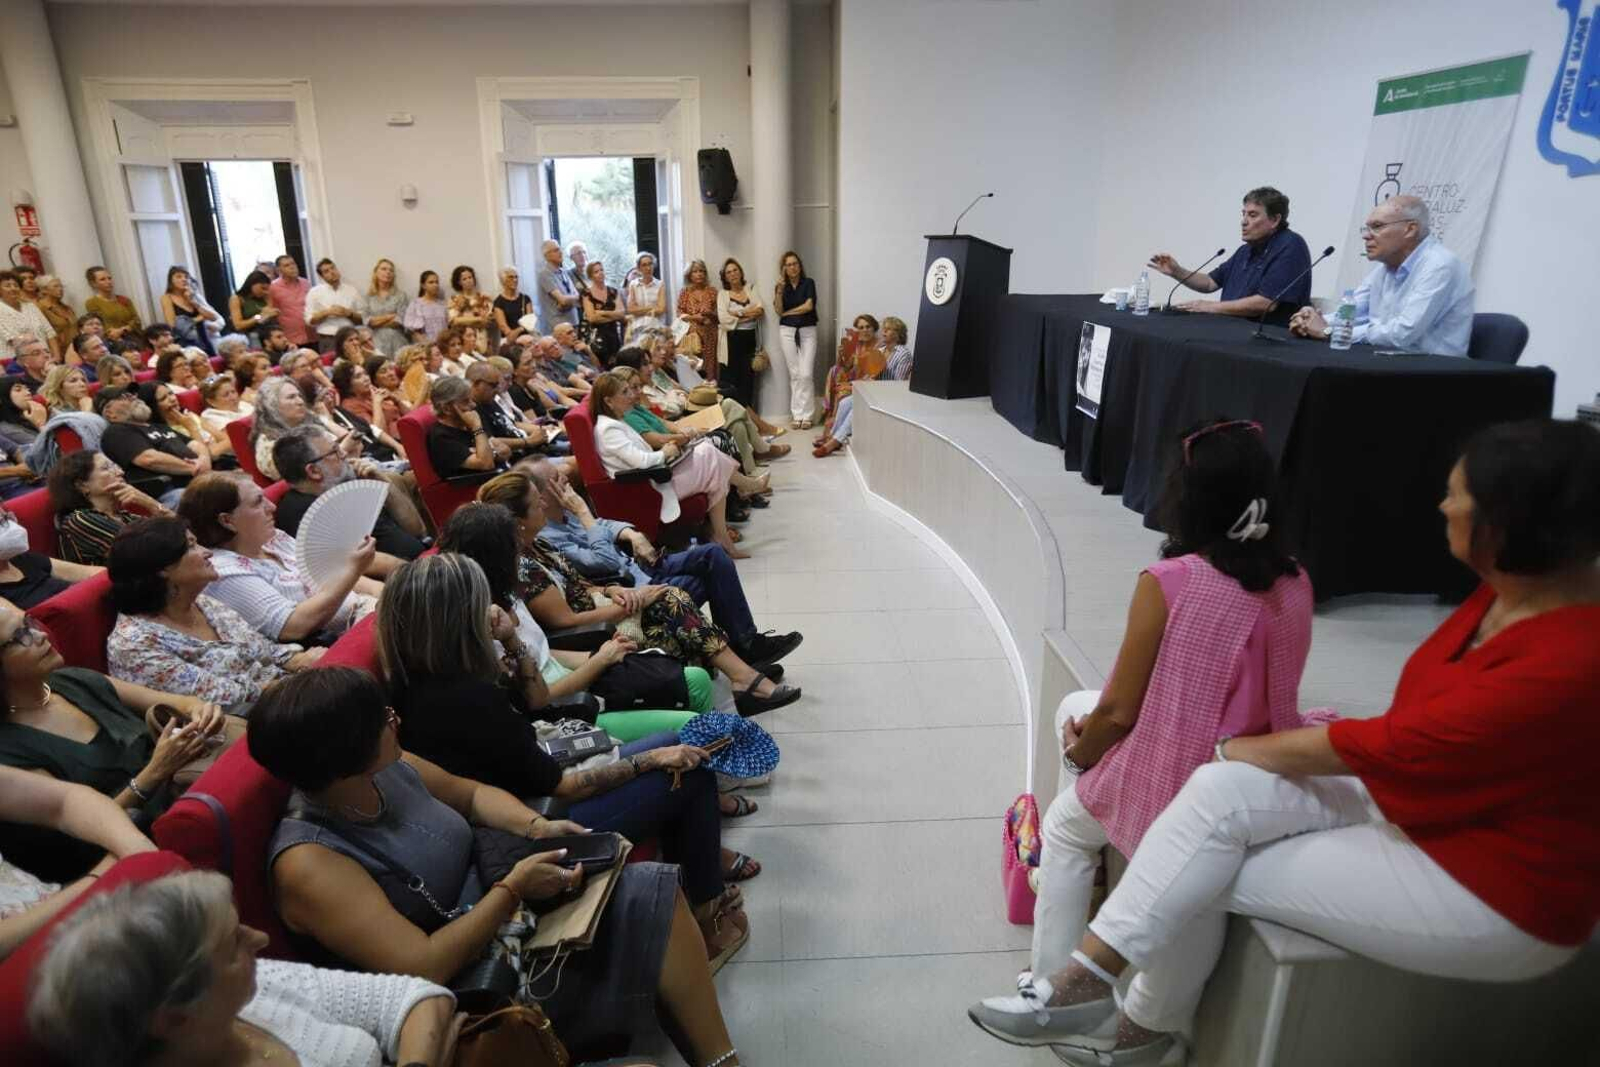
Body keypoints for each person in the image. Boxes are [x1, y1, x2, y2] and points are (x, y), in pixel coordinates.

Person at [968, 418, 1600, 1066]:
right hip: (1430, 802)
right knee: (1202, 808)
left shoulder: (1568, 658)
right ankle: (1108, 1003)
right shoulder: (1490, 593)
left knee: (1191, 855)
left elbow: (1395, 746)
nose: (1442, 503)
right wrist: (1230, 751)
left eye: (1459, 494)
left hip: (1490, 881)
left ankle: (1114, 1008)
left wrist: (1229, 750)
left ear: (1508, 524)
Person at [252, 666, 746, 1064]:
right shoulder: (308, 862)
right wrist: (512, 891)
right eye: (379, 718)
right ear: (344, 749)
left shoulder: (388, 770)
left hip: (501, 913)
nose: (394, 718)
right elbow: (422, 965)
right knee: (640, 909)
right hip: (477, 985)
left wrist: (535, 827)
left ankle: (719, 1058)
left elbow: (469, 794)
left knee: (649, 889)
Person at [378, 549, 755, 952]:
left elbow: (533, 701)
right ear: (461, 622)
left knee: (674, 747)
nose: (489, 609)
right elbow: (564, 787)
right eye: (479, 604)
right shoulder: (468, 699)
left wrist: (509, 637)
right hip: (533, 824)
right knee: (687, 768)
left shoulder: (410, 682)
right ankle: (707, 919)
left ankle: (700, 869)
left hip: (518, 797)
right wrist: (649, 760)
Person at [27, 870, 460, 1067]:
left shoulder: (258, 987)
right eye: (234, 943)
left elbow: (414, 996)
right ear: (174, 1016)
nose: (260, 939)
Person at [476, 466, 798, 717]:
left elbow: (582, 583)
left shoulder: (538, 544)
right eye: (536, 503)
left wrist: (612, 588)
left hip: (612, 594)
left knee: (684, 595)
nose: (544, 505)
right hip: (593, 629)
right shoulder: (522, 568)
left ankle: (740, 676)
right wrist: (623, 607)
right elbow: (566, 621)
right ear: (517, 521)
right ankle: (741, 678)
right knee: (675, 603)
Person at [442, 497, 718, 733]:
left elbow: (544, 652)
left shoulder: (506, 594)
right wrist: (600, 661)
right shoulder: (483, 626)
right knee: (690, 723)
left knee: (696, 679)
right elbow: (540, 699)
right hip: (564, 710)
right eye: (514, 551)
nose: (520, 558)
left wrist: (607, 655)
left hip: (577, 674)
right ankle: (712, 781)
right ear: (497, 560)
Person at [0, 599, 223, 880]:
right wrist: (154, 772)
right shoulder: (7, 752)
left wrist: (200, 712)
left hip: (191, 796)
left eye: (29, 624)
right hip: (131, 852)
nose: (41, 635)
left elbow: (178, 702)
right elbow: (76, 836)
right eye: (20, 637)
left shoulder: (72, 680)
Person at [524, 459, 801, 669]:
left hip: (641, 565)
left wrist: (631, 533)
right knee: (705, 582)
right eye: (559, 479)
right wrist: (584, 512)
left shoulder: (564, 512)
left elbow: (605, 525)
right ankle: (740, 650)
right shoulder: (549, 532)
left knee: (713, 555)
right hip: (631, 586)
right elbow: (603, 560)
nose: (568, 481)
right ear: (543, 496)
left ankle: (744, 644)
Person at [107, 516, 326, 709]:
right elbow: (224, 700)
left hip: (287, 692)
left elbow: (264, 648)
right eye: (192, 546)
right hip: (253, 724)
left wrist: (300, 660)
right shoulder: (134, 644)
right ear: (163, 568)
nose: (207, 552)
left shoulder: (201, 602)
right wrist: (306, 680)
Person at [180, 472, 379, 643]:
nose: (272, 507)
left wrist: (389, 593)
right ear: (227, 521)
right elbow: (294, 625)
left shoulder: (275, 538)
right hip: (346, 639)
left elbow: (340, 579)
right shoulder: (223, 572)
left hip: (369, 611)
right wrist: (354, 569)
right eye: (258, 502)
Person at [592, 373, 767, 560]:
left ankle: (723, 533)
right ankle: (745, 489)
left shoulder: (617, 421)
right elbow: (641, 461)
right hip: (647, 488)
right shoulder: (609, 429)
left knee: (709, 456)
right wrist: (665, 453)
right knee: (711, 460)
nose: (631, 395)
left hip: (654, 476)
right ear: (609, 401)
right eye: (625, 391)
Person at [1289, 195, 1475, 357]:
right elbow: (1353, 313)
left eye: (1377, 227)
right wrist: (1310, 321)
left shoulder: (1439, 265)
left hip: (1437, 371)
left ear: (1410, 229)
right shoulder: (1385, 268)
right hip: (1390, 361)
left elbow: (1403, 333)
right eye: (1366, 228)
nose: (1366, 236)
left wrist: (1329, 331)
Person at [0, 766, 155, 958]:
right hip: (40, 960)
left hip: (71, 902)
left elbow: (65, 801)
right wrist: (100, 880)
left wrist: (138, 849)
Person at [272, 426, 426, 574]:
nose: (344, 454)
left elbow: (417, 529)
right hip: (405, 580)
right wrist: (419, 571)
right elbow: (347, 563)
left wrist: (381, 480)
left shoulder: (348, 483)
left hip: (423, 557)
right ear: (314, 471)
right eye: (335, 451)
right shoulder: (304, 515)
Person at [1149, 186, 1312, 323]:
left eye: (1253, 215)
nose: (1244, 221)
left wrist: (1208, 307)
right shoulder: (1246, 250)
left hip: (1267, 341)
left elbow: (1266, 302)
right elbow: (1209, 283)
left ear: (1275, 220)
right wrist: (1177, 271)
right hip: (1231, 330)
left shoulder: (1290, 245)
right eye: (1244, 214)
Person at [49, 450, 172, 567]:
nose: (120, 472)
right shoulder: (80, 520)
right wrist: (149, 504)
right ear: (82, 485)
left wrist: (150, 503)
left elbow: (179, 531)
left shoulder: (122, 515)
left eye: (115, 465)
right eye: (106, 468)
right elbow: (150, 551)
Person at [813, 315, 912, 458]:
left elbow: (899, 384)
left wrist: (873, 382)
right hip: (874, 392)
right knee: (845, 403)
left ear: (898, 334)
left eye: (889, 329)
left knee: (858, 406)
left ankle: (834, 442)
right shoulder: (881, 350)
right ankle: (833, 436)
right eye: (884, 329)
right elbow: (869, 372)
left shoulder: (903, 353)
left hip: (890, 396)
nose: (884, 332)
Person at [96, 385, 208, 508]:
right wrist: (194, 468)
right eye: (125, 396)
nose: (134, 397)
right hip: (167, 493)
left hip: (197, 480)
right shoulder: (116, 432)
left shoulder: (159, 426)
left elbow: (196, 445)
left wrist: (203, 459)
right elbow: (149, 459)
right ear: (110, 413)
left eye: (133, 394)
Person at [819, 313, 887, 445]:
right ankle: (832, 425)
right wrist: (841, 355)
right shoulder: (856, 345)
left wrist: (850, 386)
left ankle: (832, 429)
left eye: (868, 327)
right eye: (861, 328)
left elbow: (874, 375)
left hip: (870, 384)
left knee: (843, 394)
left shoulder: (879, 347)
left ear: (874, 328)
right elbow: (845, 366)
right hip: (854, 380)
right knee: (834, 370)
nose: (864, 330)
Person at [425, 375, 510, 480]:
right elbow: (486, 464)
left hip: (501, 475)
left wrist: (488, 452)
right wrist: (477, 428)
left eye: (471, 400)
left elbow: (505, 450)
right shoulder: (441, 437)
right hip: (474, 488)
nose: (473, 405)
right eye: (466, 401)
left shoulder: (466, 423)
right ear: (446, 408)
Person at [773, 250, 819, 428]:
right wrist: (778, 292)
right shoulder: (781, 286)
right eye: (789, 265)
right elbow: (778, 311)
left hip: (807, 330)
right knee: (795, 374)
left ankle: (808, 414)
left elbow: (808, 306)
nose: (792, 267)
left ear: (800, 266)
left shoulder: (808, 283)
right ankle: (798, 415)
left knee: (806, 373)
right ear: (784, 268)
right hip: (787, 331)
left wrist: (788, 312)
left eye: (795, 264)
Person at [465, 361, 548, 459]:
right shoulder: (471, 409)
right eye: (493, 385)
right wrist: (528, 441)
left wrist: (540, 430)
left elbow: (512, 424)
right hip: (520, 459)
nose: (497, 389)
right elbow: (490, 441)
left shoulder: (489, 400)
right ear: (476, 384)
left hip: (533, 448)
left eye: (498, 384)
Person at [142, 380, 232, 469]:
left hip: (226, 459)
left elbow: (228, 441)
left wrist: (211, 451)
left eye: (171, 393)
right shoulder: (164, 433)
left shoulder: (189, 415)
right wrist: (192, 428)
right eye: (163, 398)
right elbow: (204, 459)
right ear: (152, 406)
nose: (173, 399)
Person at [332, 360, 407, 460]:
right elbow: (376, 434)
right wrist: (377, 403)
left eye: (365, 374)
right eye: (358, 377)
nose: (366, 378)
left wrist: (397, 400)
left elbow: (410, 414)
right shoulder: (350, 405)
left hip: (406, 433)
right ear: (348, 386)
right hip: (394, 447)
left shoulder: (372, 393)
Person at [715, 259, 763, 407]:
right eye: (729, 272)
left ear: (741, 272)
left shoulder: (751, 288)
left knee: (747, 380)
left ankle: (749, 418)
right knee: (730, 381)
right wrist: (749, 314)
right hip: (731, 342)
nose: (733, 274)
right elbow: (723, 319)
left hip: (750, 339)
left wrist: (737, 313)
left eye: (735, 270)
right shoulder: (723, 294)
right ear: (725, 277)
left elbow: (760, 310)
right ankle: (732, 417)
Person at [305, 258, 364, 354]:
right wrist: (327, 312)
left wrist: (348, 313)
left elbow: (362, 319)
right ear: (322, 276)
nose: (332, 272)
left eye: (333, 268)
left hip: (350, 337)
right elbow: (309, 321)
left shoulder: (352, 290)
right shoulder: (314, 293)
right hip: (328, 338)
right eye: (326, 271)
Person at [158, 267, 220, 357]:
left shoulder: (192, 295)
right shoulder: (166, 298)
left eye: (186, 277)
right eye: (179, 277)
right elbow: (172, 325)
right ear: (171, 281)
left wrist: (192, 302)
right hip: (186, 343)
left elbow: (213, 317)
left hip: (204, 338)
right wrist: (199, 318)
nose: (184, 279)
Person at [676, 259, 719, 386]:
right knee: (693, 364)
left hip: (710, 334)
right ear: (689, 274)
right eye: (695, 271)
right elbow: (679, 314)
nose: (699, 274)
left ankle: (710, 391)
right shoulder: (685, 292)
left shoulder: (712, 291)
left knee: (709, 365)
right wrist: (695, 318)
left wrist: (710, 315)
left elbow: (719, 314)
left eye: (702, 271)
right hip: (691, 335)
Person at [82, 266, 143, 349]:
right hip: (113, 342)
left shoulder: (124, 299)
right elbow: (102, 325)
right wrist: (119, 332)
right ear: (93, 283)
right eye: (103, 279)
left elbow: (137, 321)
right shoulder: (92, 302)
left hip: (135, 338)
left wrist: (123, 329)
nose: (108, 282)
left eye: (109, 278)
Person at [581, 261, 627, 366]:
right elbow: (592, 318)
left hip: (613, 336)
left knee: (616, 365)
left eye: (601, 270)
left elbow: (622, 313)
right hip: (596, 338)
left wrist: (602, 312)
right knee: (601, 368)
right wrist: (614, 315)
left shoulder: (613, 291)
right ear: (590, 276)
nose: (600, 273)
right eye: (596, 271)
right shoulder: (586, 293)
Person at [0, 271, 57, 353]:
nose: (13, 288)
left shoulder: (30, 306)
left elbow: (49, 332)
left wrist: (56, 356)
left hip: (45, 357)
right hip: (18, 360)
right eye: (7, 286)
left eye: (16, 285)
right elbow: (14, 340)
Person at [364, 257, 409, 356]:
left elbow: (399, 321)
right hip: (375, 343)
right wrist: (389, 316)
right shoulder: (368, 297)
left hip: (397, 341)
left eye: (391, 270)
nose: (388, 272)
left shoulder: (401, 295)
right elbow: (367, 321)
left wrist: (376, 322)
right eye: (384, 269)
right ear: (376, 272)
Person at [267, 254, 312, 347]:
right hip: (290, 339)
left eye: (293, 264)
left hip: (311, 334)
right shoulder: (273, 287)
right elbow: (270, 312)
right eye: (287, 265)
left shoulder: (305, 283)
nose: (292, 267)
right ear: (279, 270)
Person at [536, 239, 580, 332]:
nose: (560, 252)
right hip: (558, 327)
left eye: (560, 249)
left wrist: (567, 301)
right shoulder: (545, 274)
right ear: (547, 256)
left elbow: (576, 296)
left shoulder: (563, 272)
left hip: (573, 322)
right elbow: (563, 300)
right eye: (556, 250)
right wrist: (568, 301)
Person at [447, 265, 492, 354]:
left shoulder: (484, 298)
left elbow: (487, 320)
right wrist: (477, 319)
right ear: (459, 282)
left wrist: (466, 320)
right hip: (462, 340)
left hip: (482, 338)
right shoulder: (455, 299)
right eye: (464, 279)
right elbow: (454, 321)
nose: (468, 281)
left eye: (470, 277)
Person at [227, 269, 278, 343]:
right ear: (252, 284)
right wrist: (259, 317)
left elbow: (269, 314)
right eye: (262, 288)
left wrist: (273, 314)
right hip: (249, 336)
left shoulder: (266, 296)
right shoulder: (237, 299)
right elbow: (238, 325)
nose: (265, 292)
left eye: (267, 289)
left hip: (267, 333)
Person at [625, 251, 668, 341]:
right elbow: (631, 309)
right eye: (644, 265)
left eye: (650, 264)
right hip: (638, 328)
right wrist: (652, 307)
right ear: (639, 268)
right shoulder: (633, 284)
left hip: (656, 327)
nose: (648, 268)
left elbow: (661, 309)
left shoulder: (660, 284)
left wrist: (639, 309)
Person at [198, 371, 253, 437]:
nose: (233, 397)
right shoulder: (210, 416)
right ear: (212, 402)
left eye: (233, 392)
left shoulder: (243, 404)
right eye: (226, 395)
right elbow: (237, 435)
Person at [364, 354, 413, 426]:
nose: (391, 373)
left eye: (391, 368)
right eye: (383, 371)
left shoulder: (406, 385)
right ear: (374, 380)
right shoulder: (382, 400)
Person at [401, 268, 448, 343]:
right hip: (424, 346)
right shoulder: (416, 304)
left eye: (437, 282)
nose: (435, 285)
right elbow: (412, 330)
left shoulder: (443, 305)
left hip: (443, 345)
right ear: (423, 285)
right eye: (431, 282)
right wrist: (427, 345)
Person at [491, 266, 534, 347]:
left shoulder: (525, 299)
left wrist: (522, 328)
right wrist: (521, 328)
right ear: (503, 281)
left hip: (528, 339)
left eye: (516, 277)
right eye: (511, 277)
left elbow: (530, 323)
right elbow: (505, 329)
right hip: (510, 343)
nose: (515, 280)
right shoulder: (498, 302)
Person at [32, 275, 77, 350]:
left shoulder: (67, 308)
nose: (60, 289)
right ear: (44, 290)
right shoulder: (40, 308)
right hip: (58, 352)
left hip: (75, 349)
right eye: (55, 286)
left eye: (61, 286)